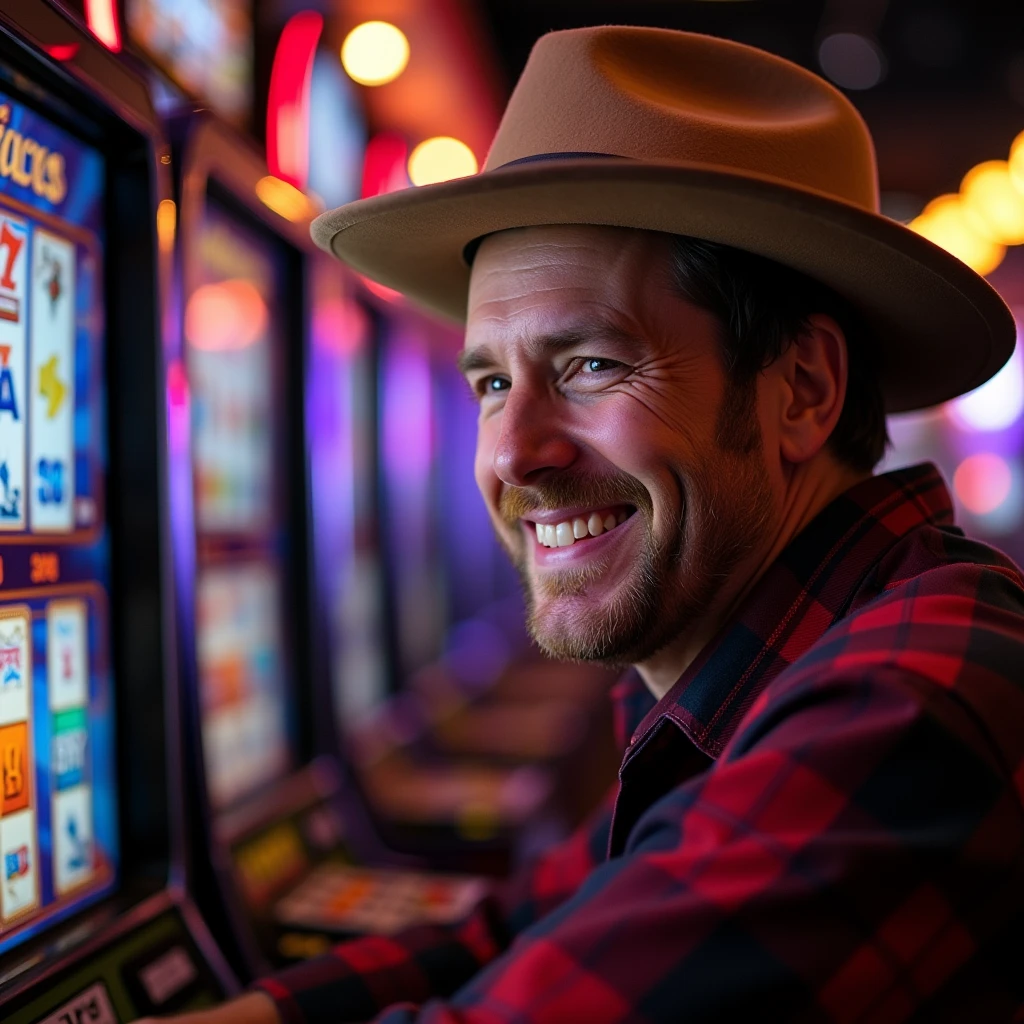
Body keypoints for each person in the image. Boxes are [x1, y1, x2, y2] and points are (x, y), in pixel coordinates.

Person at [148, 26, 1024, 1023]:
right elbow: (520, 926)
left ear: (802, 390)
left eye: (591, 365)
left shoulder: (917, 691)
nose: (513, 451)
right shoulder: (734, 675)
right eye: (490, 381)